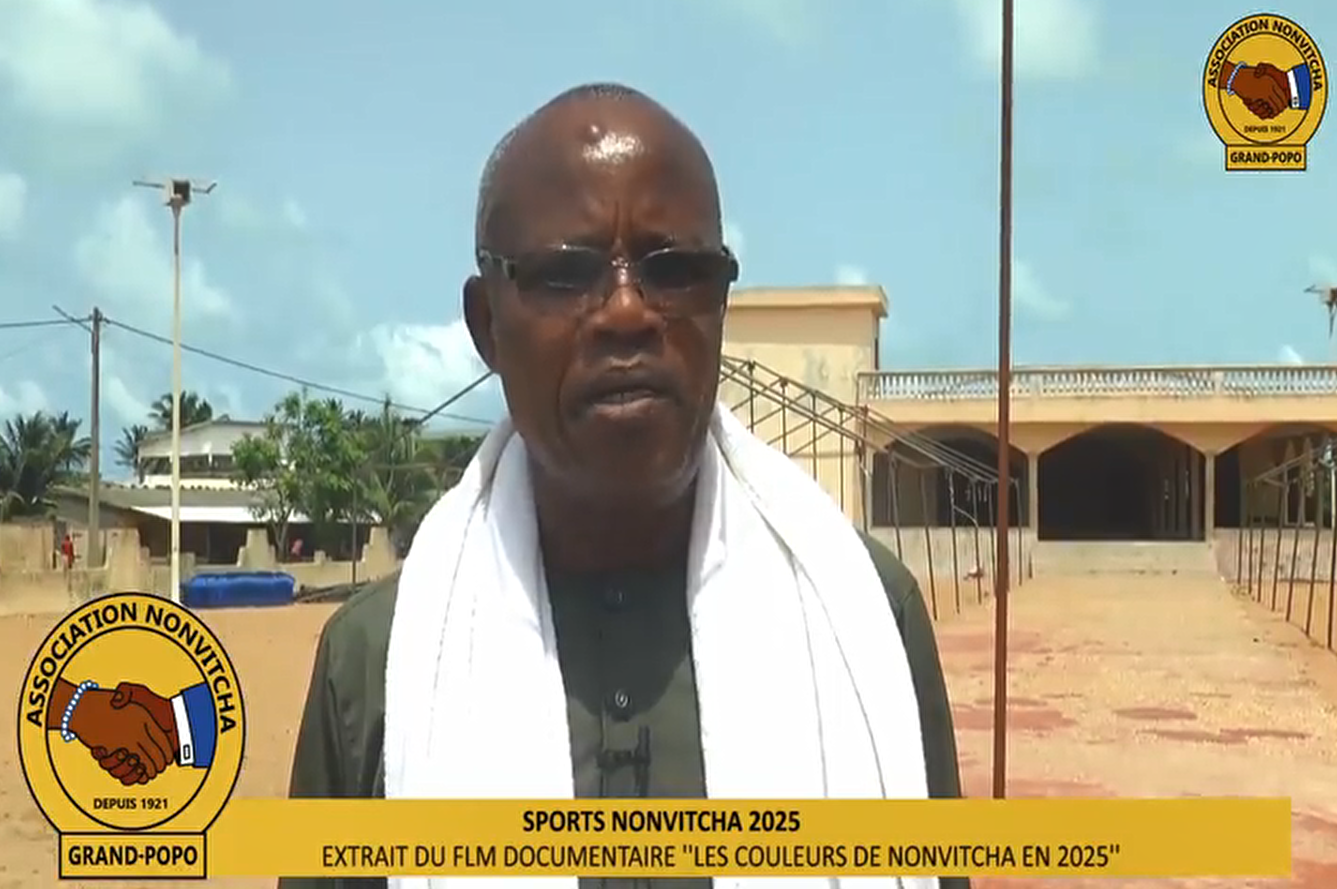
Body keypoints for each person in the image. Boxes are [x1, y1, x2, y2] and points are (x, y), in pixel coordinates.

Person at [282, 83, 967, 889]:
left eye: (674, 269)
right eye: (565, 274)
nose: (626, 312)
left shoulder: (862, 619)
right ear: (486, 323)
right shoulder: (379, 663)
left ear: (720, 304)